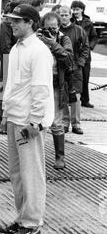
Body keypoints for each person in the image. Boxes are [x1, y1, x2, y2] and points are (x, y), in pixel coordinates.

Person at [0, 4, 54, 234]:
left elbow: (41, 89)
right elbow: (12, 84)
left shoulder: (39, 51)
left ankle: (32, 224)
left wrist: (35, 122)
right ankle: (22, 219)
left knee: (31, 174)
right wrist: (5, 113)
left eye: (17, 21)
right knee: (17, 174)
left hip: (27, 122)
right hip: (15, 117)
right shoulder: (17, 47)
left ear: (30, 22)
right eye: (11, 20)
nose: (12, 24)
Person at [37, 12, 74, 170]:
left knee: (56, 122)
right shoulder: (37, 39)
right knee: (37, 121)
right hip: (39, 83)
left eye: (53, 28)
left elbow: (69, 60)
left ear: (59, 27)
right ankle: (37, 157)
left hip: (56, 84)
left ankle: (60, 157)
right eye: (47, 28)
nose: (50, 32)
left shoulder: (63, 39)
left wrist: (53, 44)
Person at [59, 5, 90, 134]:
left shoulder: (79, 30)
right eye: (62, 15)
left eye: (66, 15)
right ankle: (65, 123)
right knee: (64, 95)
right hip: (62, 68)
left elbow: (86, 48)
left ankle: (76, 124)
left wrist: (81, 63)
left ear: (70, 15)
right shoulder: (57, 31)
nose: (64, 17)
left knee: (76, 96)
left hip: (76, 68)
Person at [0, 0, 23, 133]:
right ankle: (1, 124)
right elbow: (5, 48)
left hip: (14, 61)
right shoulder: (5, 25)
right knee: (3, 94)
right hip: (7, 61)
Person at [71, 0, 98, 108]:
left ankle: (85, 100)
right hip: (74, 53)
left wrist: (90, 47)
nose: (75, 11)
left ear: (82, 10)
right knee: (74, 77)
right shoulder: (71, 21)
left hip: (86, 55)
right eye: (73, 9)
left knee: (85, 77)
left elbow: (94, 37)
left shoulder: (88, 22)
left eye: (77, 9)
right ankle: (72, 99)